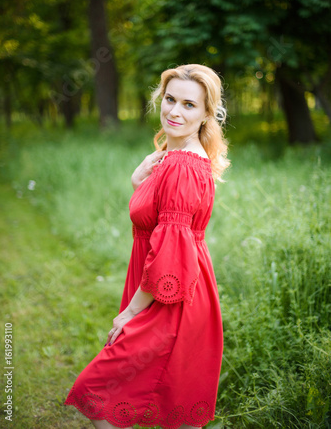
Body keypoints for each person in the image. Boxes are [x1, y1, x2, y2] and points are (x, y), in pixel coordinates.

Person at [64, 63, 231, 429]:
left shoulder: (183, 166)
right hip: (166, 287)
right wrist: (138, 182)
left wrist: (131, 313)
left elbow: (171, 251)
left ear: (206, 113)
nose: (174, 110)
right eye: (170, 99)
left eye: (189, 105)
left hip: (168, 295)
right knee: (168, 395)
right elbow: (162, 222)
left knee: (96, 392)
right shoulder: (172, 159)